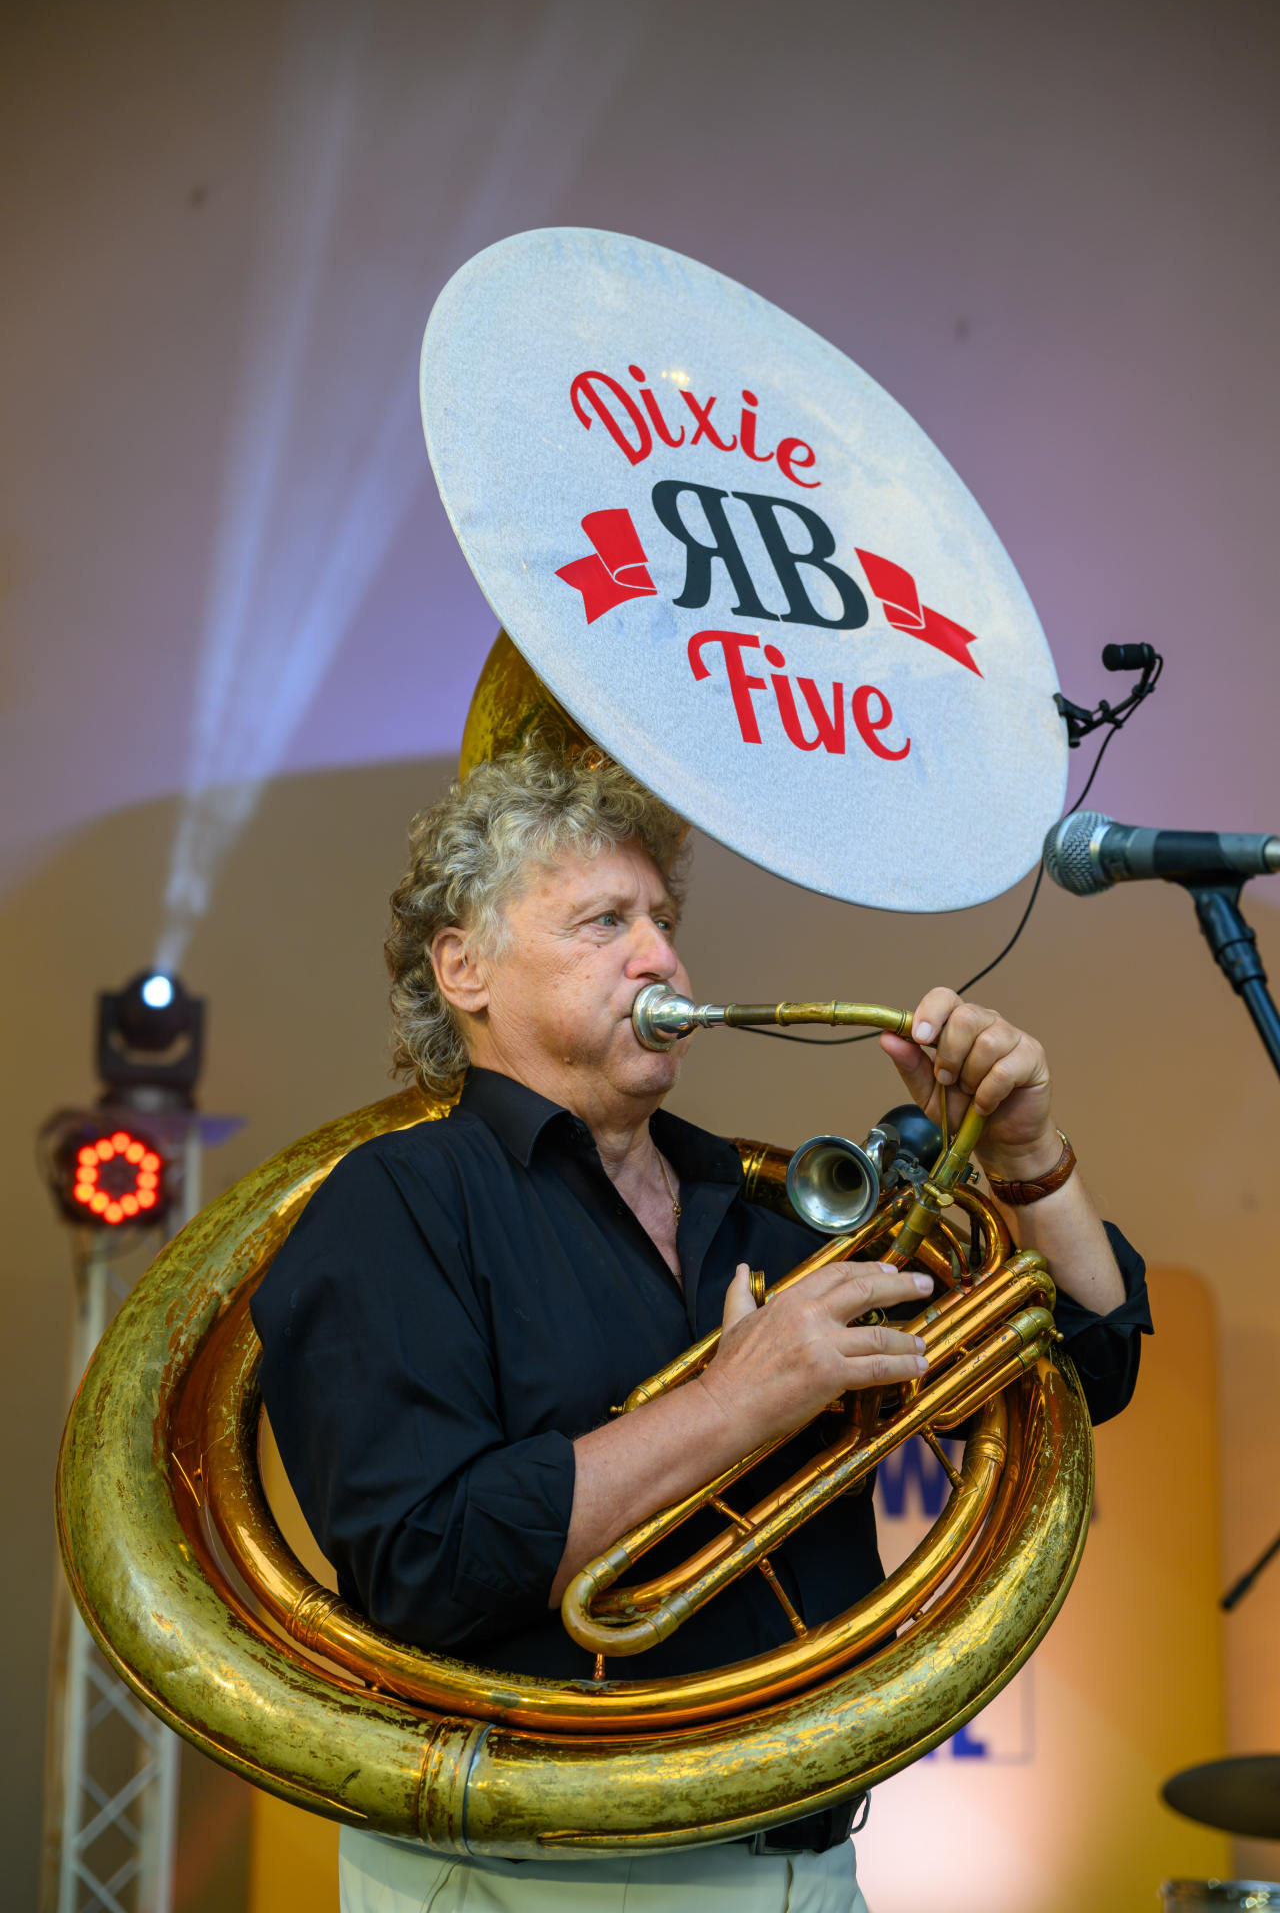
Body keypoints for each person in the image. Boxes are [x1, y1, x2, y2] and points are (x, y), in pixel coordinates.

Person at [253, 747, 1152, 1913]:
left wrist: (1025, 1152)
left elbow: (1084, 1373)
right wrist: (732, 1403)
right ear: (463, 968)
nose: (660, 957)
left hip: (804, 1862)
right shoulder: (395, 1202)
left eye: (664, 921)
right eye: (603, 922)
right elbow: (423, 1564)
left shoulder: (763, 1213)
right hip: (530, 1873)